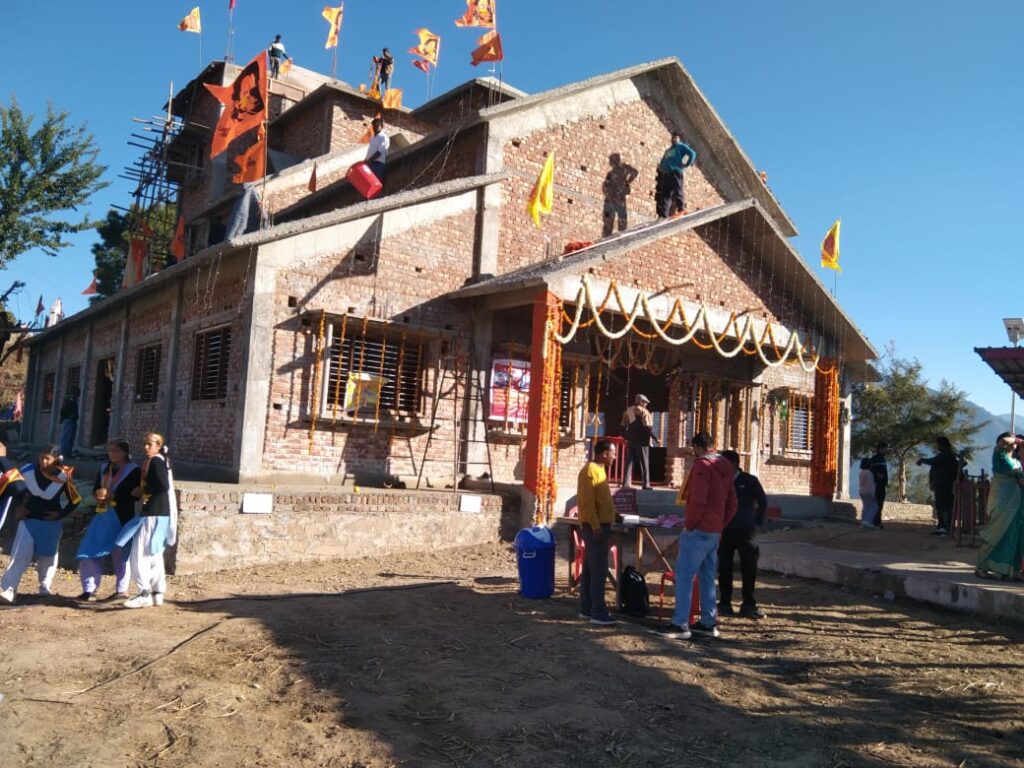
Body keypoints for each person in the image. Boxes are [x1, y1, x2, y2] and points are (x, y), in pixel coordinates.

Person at [656, 433, 736, 640]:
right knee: (707, 578)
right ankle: (708, 622)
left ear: (698, 447)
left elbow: (698, 501)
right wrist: (720, 525)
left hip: (698, 530)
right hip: (714, 532)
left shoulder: (702, 466)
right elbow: (732, 503)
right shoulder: (726, 466)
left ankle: (680, 624)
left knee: (684, 576)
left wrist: (690, 525)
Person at [0, 446, 81, 604]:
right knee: (19, 555)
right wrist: (18, 508)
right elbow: (15, 489)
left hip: (51, 523)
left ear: (56, 459)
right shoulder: (27, 471)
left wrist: (60, 514)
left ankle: (44, 585)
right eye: (41, 457)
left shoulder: (63, 477)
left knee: (48, 557)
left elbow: (75, 500)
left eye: (47, 459)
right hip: (29, 520)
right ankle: (9, 589)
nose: (43, 461)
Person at [75, 440, 141, 602]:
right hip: (103, 514)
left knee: (121, 553)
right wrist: (98, 495)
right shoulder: (104, 468)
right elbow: (95, 490)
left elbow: (135, 495)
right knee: (89, 550)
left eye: (116, 451)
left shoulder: (134, 470)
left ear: (125, 453)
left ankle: (121, 590)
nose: (112, 454)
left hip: (122, 516)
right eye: (110, 450)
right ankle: (89, 589)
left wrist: (114, 496)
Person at [120, 433, 177, 608]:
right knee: (154, 553)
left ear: (158, 446)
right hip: (159, 513)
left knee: (140, 554)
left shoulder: (156, 461)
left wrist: (143, 489)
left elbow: (163, 486)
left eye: (150, 444)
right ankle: (157, 592)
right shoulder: (159, 461)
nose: (146, 447)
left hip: (154, 513)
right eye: (145, 444)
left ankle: (144, 592)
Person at [717, 450, 768, 619]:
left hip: (747, 532)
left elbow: (763, 501)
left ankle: (748, 604)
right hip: (725, 531)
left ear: (734, 464)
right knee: (724, 568)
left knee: (749, 568)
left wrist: (756, 522)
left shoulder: (749, 481)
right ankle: (725, 603)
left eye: (724, 463)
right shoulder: (720, 481)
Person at [576, 439, 618, 626]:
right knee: (599, 570)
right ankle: (598, 612)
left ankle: (587, 608)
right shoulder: (589, 471)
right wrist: (595, 526)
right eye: (613, 453)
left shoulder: (600, 471)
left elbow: (601, 500)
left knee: (590, 568)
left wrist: (614, 515)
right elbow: (587, 502)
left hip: (602, 524)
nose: (615, 457)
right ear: (604, 454)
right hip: (595, 527)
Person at [975, 433, 1024, 580]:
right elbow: (1003, 441)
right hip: (1002, 504)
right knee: (995, 534)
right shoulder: (999, 457)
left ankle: (1010, 571)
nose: (1013, 443)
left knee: (1013, 537)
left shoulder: (1016, 462)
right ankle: (981, 566)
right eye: (1011, 439)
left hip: (1015, 506)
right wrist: (1019, 440)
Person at [917, 436, 960, 536]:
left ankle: (945, 527)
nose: (937, 447)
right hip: (943, 485)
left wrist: (922, 460)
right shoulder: (950, 456)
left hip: (944, 485)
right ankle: (943, 526)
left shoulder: (945, 456)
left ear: (942, 445)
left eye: (938, 445)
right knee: (943, 506)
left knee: (943, 506)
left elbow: (933, 461)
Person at [621, 394, 658, 490]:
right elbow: (647, 428)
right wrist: (655, 438)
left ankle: (625, 484)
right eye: (645, 402)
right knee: (644, 462)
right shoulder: (644, 411)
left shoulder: (629, 411)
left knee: (629, 462)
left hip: (631, 441)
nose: (646, 404)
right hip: (642, 441)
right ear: (641, 402)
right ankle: (646, 484)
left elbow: (623, 426)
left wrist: (627, 436)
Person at [655, 134, 697, 218]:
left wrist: (686, 164)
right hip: (667, 174)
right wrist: (662, 168)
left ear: (679, 139)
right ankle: (663, 216)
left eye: (675, 137)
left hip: (676, 172)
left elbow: (692, 153)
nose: (673, 139)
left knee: (678, 191)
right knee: (665, 195)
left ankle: (682, 209)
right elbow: (662, 162)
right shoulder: (668, 151)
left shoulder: (680, 146)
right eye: (672, 137)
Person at [869, 442, 889, 528]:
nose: (886, 450)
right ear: (880, 449)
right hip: (876, 484)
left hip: (882, 484)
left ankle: (877, 522)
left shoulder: (883, 459)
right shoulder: (875, 458)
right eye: (885, 448)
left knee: (880, 504)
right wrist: (877, 474)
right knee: (877, 503)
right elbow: (870, 469)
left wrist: (886, 482)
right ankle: (874, 522)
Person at [59, 386, 79, 460]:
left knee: (70, 437)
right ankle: (64, 453)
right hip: (69, 420)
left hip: (71, 420)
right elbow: (65, 409)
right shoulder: (70, 398)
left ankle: (67, 452)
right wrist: (70, 417)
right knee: (67, 437)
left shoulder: (72, 398)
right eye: (78, 393)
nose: (79, 395)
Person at [858, 457, 879, 528]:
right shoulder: (869, 473)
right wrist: (873, 493)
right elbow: (871, 484)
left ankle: (863, 521)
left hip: (862, 491)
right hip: (868, 492)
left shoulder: (861, 472)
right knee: (874, 507)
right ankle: (867, 521)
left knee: (866, 507)